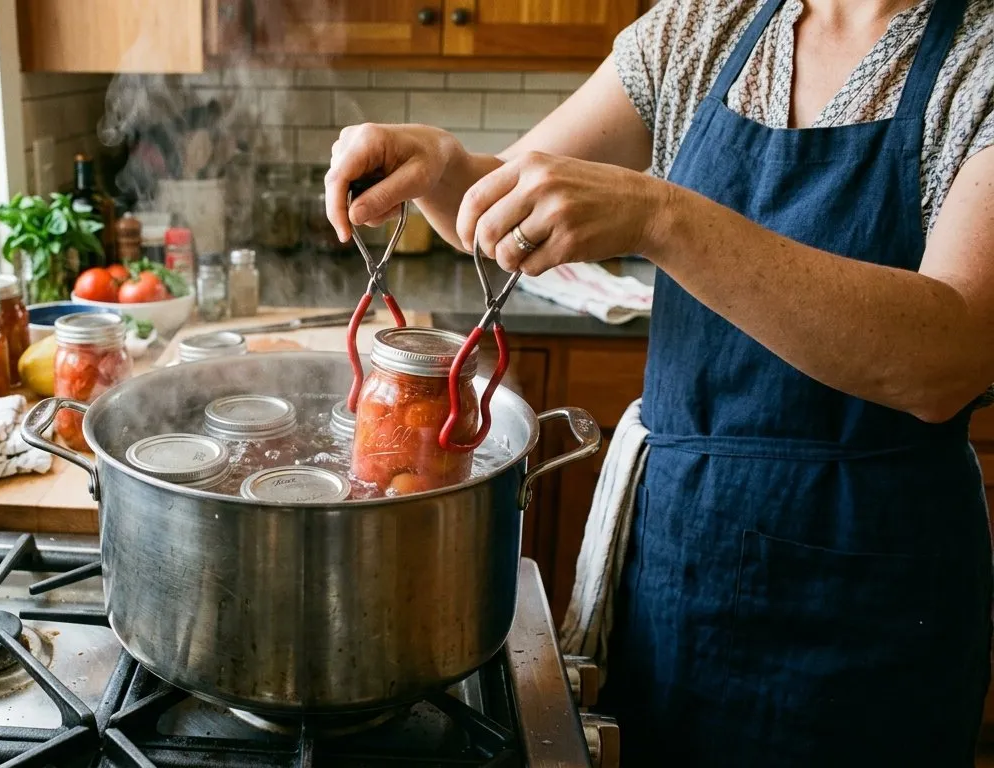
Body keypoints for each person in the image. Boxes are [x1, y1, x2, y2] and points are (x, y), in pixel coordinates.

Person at [324, 0, 994, 765]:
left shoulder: (979, 60)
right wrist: (443, 167)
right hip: (680, 563)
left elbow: (950, 355)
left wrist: (661, 217)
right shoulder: (702, 27)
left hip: (871, 594)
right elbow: (502, 211)